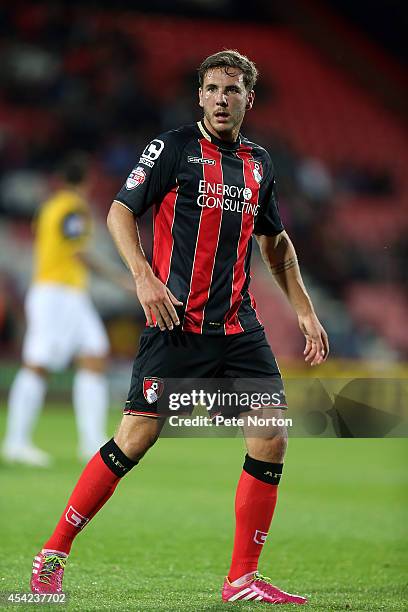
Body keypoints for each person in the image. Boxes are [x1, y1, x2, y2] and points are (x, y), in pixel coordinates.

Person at [30, 51, 329, 604]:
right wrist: (144, 277)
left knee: (271, 436)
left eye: (233, 90)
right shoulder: (171, 149)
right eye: (213, 88)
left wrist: (304, 309)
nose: (221, 98)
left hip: (240, 326)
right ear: (199, 96)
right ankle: (53, 553)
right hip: (176, 323)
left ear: (248, 99)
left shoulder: (260, 163)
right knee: (135, 438)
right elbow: (121, 211)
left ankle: (241, 579)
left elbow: (275, 241)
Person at [2, 154, 128, 466]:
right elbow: (78, 250)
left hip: (68, 293)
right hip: (56, 293)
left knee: (94, 355)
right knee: (38, 363)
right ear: (86, 181)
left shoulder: (48, 207)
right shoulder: (74, 207)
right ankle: (15, 442)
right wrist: (121, 278)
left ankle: (91, 443)